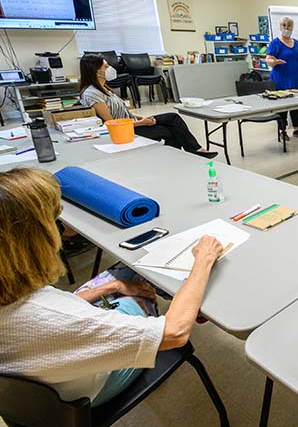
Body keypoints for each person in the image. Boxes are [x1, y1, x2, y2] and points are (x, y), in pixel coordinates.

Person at [0, 168, 225, 406]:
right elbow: (174, 333)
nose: (64, 232)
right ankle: (194, 305)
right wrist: (204, 259)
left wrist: (111, 287)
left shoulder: (14, 291)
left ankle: (189, 302)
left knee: (124, 271)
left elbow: (57, 309)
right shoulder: (53, 318)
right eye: (55, 222)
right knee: (148, 283)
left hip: (53, 364)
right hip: (95, 385)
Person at [79, 55, 217, 158]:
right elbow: (111, 123)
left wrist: (141, 118)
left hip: (133, 123)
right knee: (171, 129)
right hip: (124, 131)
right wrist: (141, 123)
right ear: (96, 70)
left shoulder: (104, 88)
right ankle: (192, 152)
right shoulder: (92, 93)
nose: (110, 69)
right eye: (105, 66)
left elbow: (123, 112)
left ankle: (189, 153)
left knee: (173, 119)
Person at [265, 16, 298, 142]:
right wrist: (274, 61)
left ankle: (296, 129)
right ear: (280, 27)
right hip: (282, 80)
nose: (286, 28)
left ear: (292, 28)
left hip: (297, 79)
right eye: (284, 25)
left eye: (289, 26)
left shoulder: (296, 42)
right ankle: (282, 131)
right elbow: (268, 60)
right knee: (283, 107)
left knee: (296, 105)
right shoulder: (275, 43)